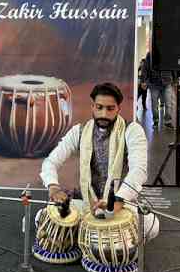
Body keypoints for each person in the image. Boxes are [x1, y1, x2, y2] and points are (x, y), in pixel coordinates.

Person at [39, 82, 159, 240]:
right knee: (38, 218)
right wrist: (53, 186)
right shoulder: (79, 131)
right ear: (92, 107)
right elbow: (50, 162)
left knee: (151, 225)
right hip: (87, 202)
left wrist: (118, 201)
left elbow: (139, 171)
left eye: (110, 109)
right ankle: (96, 236)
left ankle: (85, 235)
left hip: (119, 202)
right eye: (99, 107)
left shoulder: (132, 130)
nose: (104, 114)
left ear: (118, 109)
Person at [143, 51, 175, 128]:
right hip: (154, 83)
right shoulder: (150, 54)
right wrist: (145, 81)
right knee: (154, 104)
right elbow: (145, 68)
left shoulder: (169, 53)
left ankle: (168, 121)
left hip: (167, 82)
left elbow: (173, 67)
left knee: (168, 103)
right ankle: (156, 121)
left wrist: (175, 79)